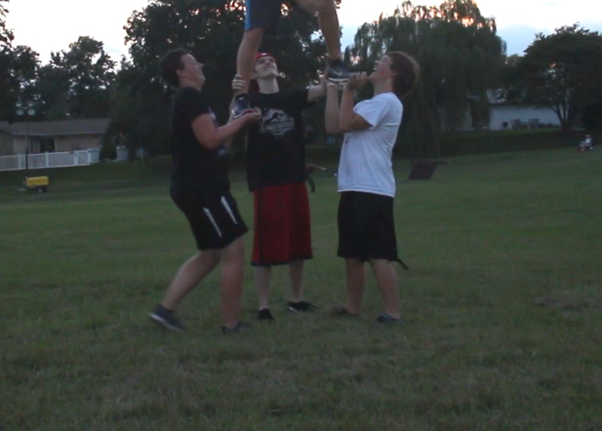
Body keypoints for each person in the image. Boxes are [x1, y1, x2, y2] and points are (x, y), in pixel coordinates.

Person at [149, 48, 260, 334]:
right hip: (204, 187)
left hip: (195, 186)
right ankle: (231, 324)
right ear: (180, 71)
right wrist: (243, 121)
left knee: (211, 252)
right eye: (193, 62)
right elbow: (210, 140)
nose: (199, 64)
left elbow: (217, 140)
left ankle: (165, 311)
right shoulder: (190, 97)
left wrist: (236, 119)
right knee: (233, 248)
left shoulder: (193, 100)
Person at [324, 52, 420, 323]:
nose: (376, 62)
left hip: (373, 189)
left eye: (383, 60)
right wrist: (334, 87)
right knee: (352, 254)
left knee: (379, 254)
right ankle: (352, 307)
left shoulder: (387, 101)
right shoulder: (373, 103)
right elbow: (333, 126)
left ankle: (393, 312)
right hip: (354, 187)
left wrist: (350, 91)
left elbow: (347, 123)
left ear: (393, 73)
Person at [232, 53, 326, 322]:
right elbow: (231, 117)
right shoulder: (249, 102)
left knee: (298, 241)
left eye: (271, 60)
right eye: (260, 62)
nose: (267, 63)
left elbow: (321, 90)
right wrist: (237, 91)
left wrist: (328, 72)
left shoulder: (291, 97)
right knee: (265, 246)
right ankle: (263, 306)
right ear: (252, 75)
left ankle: (297, 300)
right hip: (266, 182)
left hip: (294, 179)